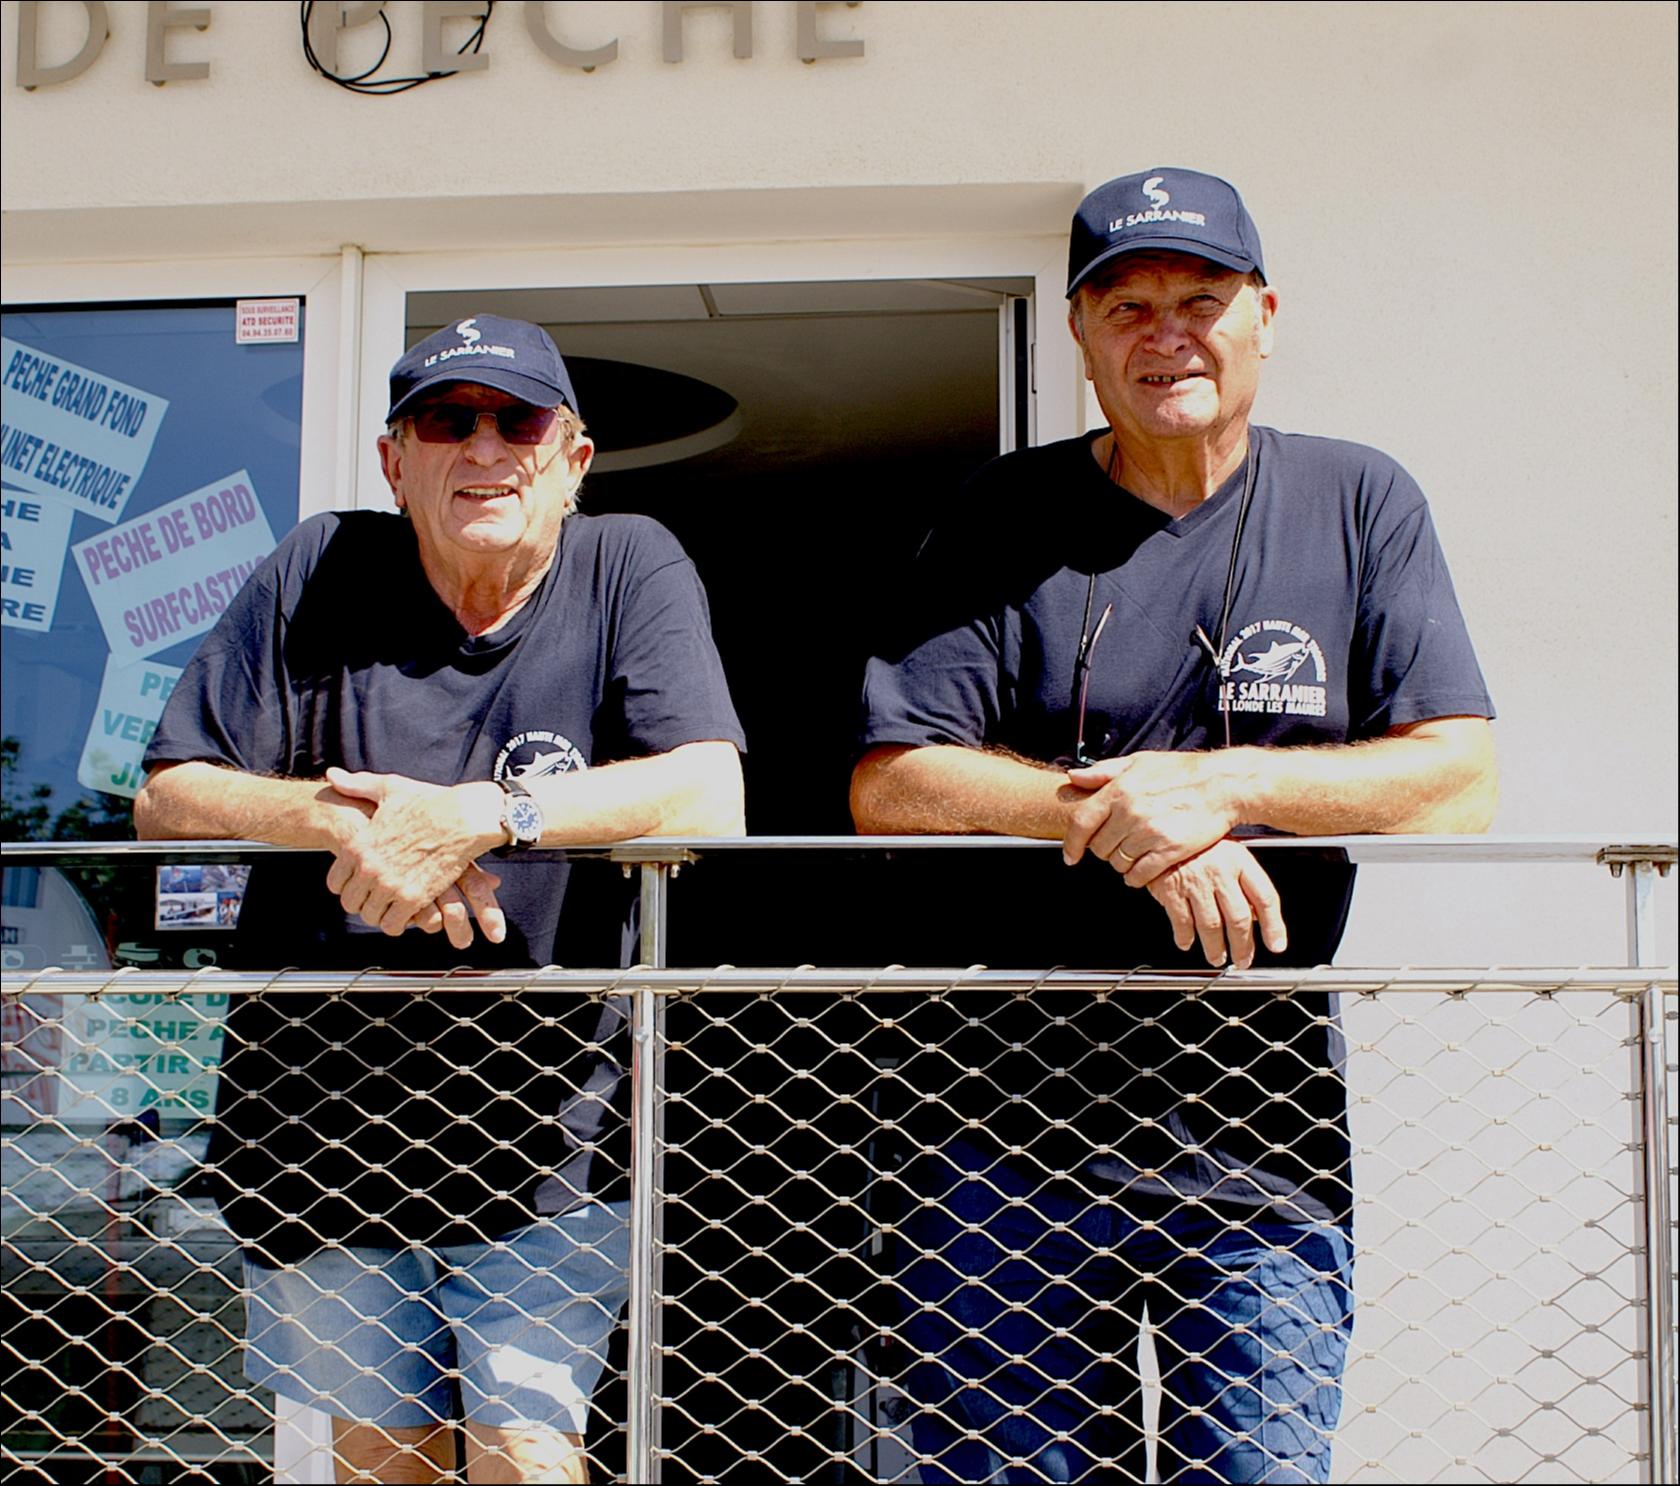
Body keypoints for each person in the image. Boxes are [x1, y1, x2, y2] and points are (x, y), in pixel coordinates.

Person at [852, 169, 1496, 1483]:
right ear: (1082, 335)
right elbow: (895, 781)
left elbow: (1458, 775)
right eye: (1128, 305)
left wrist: (1221, 788)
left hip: (1261, 1134)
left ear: (1266, 314)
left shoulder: (1359, 501)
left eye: (1201, 299)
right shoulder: (1002, 515)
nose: (1167, 333)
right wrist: (1143, 813)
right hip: (998, 1137)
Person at [135, 315, 745, 1484]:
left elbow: (709, 792)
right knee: (381, 1460)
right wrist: (346, 824)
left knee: (526, 1449)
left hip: (552, 1127)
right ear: (393, 461)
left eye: (519, 420)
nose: (485, 447)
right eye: (447, 421)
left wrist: (480, 815)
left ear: (573, 459)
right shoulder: (320, 565)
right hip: (319, 1122)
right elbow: (170, 795)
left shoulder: (627, 564)